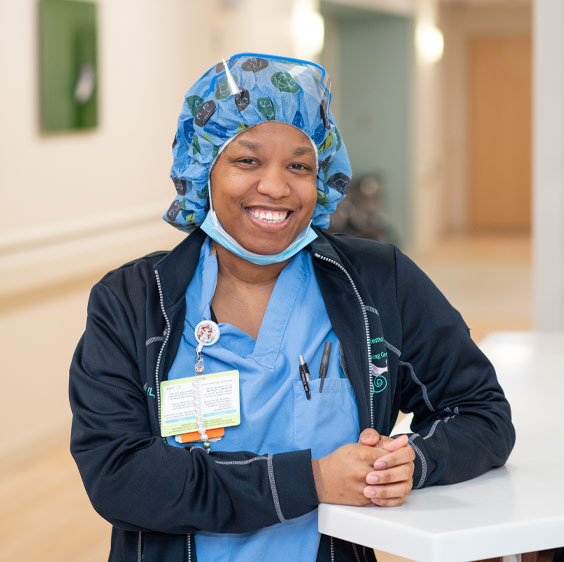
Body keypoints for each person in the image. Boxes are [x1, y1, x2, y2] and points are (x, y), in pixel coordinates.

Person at [69, 53, 515, 562]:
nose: (277, 187)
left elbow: (483, 412)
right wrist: (311, 480)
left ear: (321, 178)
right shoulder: (133, 301)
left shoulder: (375, 282)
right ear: (203, 168)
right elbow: (120, 477)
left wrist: (415, 460)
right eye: (248, 160)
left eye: (300, 165)